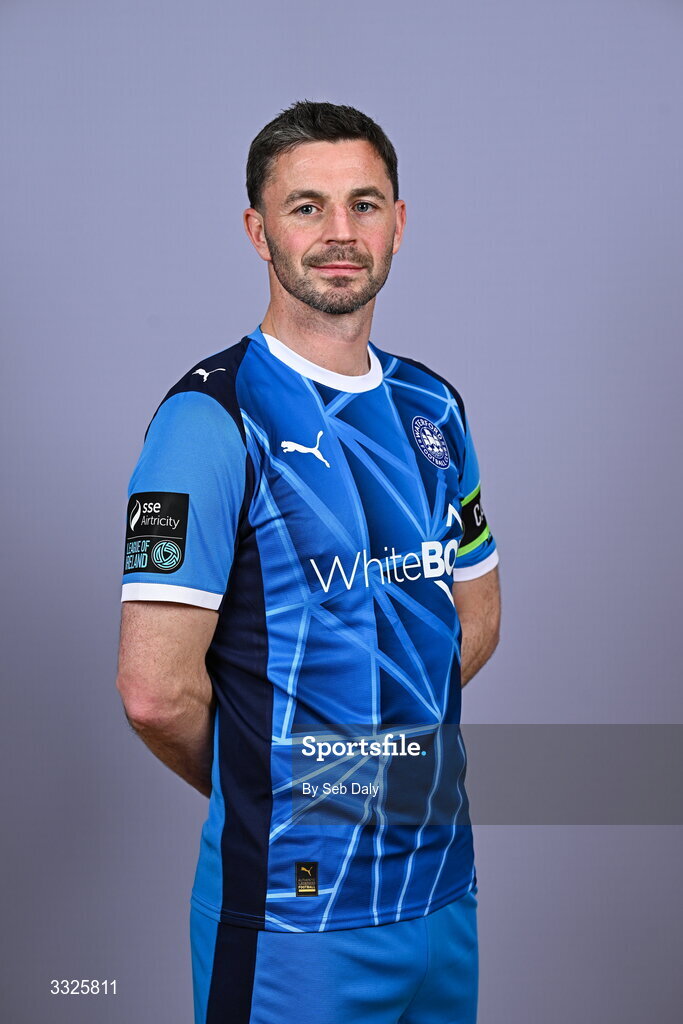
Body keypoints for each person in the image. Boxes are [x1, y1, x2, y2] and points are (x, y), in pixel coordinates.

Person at [116, 100, 501, 1024]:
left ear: (398, 223)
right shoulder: (206, 422)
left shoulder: (432, 407)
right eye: (306, 207)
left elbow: (470, 621)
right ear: (258, 230)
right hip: (297, 918)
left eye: (365, 204)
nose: (340, 232)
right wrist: (289, 788)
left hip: (441, 894)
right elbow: (155, 692)